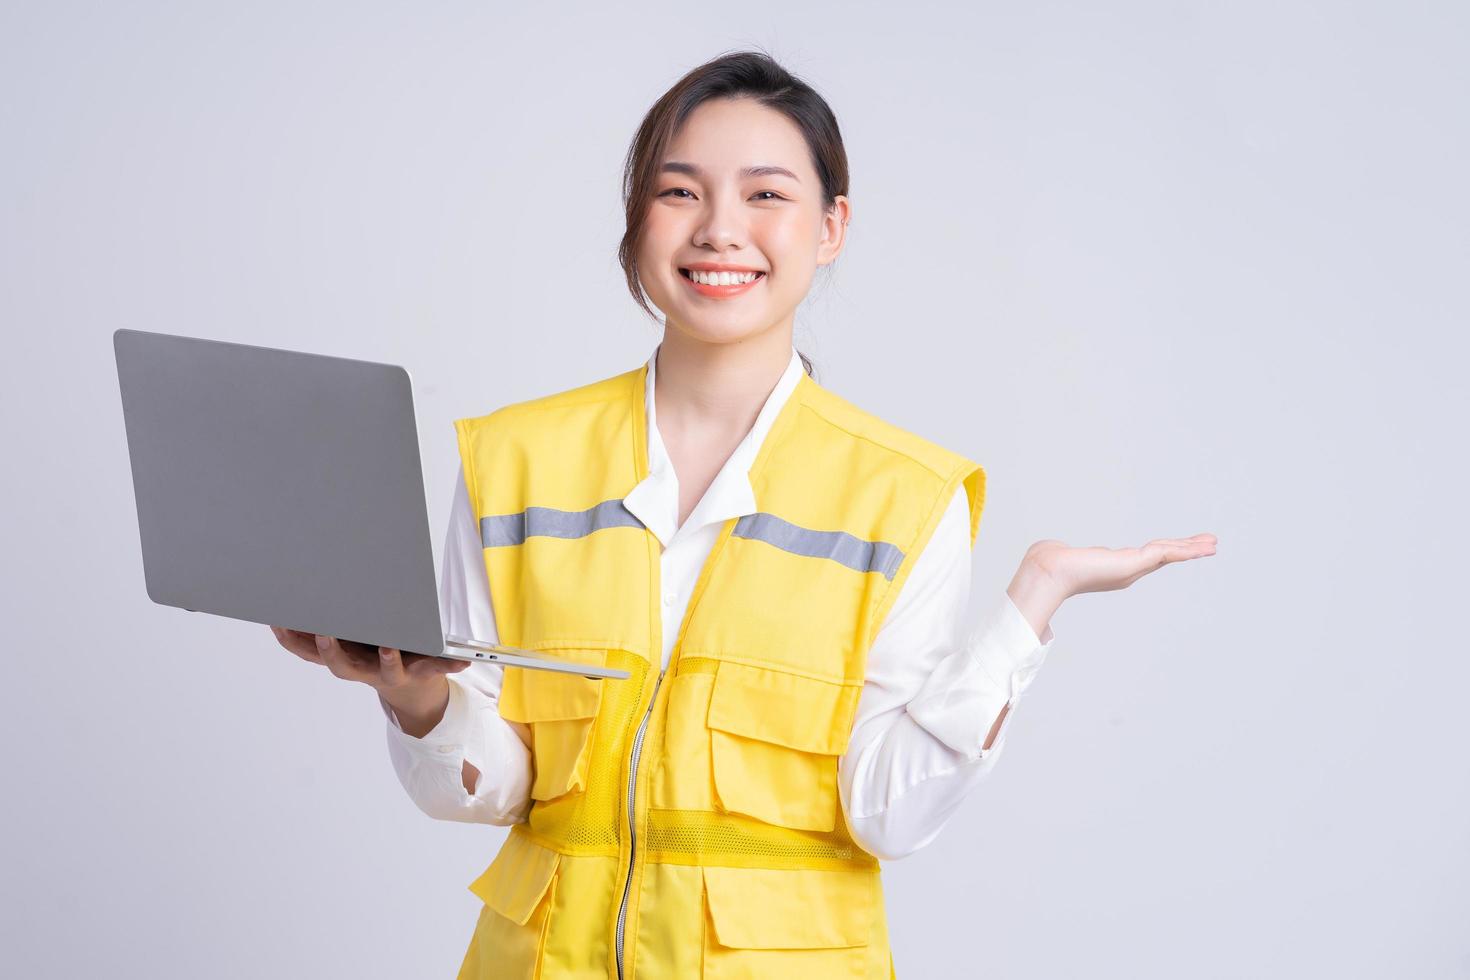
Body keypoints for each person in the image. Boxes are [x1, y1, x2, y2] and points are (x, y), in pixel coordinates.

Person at [271, 49, 1216, 980]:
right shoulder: (516, 461)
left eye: (767, 195)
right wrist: (416, 698)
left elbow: (888, 813)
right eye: (680, 192)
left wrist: (1030, 603)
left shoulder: (903, 495)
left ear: (831, 225)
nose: (720, 230)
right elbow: (495, 786)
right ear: (637, 219)